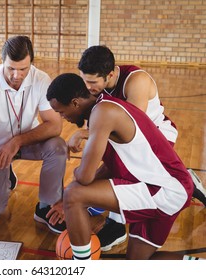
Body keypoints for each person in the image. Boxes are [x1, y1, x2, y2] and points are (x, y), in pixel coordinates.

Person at [47, 73, 198, 260]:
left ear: (75, 103)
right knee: (136, 264)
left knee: (73, 194)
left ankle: (81, 268)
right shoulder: (104, 107)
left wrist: (76, 170)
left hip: (165, 190)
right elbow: (108, 168)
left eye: (61, 112)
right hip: (166, 186)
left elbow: (84, 177)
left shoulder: (103, 113)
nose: (63, 117)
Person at [75, 45, 206, 251]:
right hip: (131, 140)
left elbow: (134, 128)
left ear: (110, 74)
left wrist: (85, 134)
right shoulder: (97, 87)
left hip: (156, 135)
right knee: (108, 169)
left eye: (92, 82)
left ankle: (117, 226)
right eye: (84, 80)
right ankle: (185, 179)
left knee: (126, 174)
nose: (87, 86)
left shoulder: (137, 80)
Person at [0, 35, 67, 233]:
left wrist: (17, 141)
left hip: (27, 142)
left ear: (31, 62)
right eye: (11, 68)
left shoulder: (41, 80)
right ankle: (7, 176)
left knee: (58, 147)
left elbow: (55, 125)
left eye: (23, 69)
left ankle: (45, 207)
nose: (16, 75)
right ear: (2, 61)